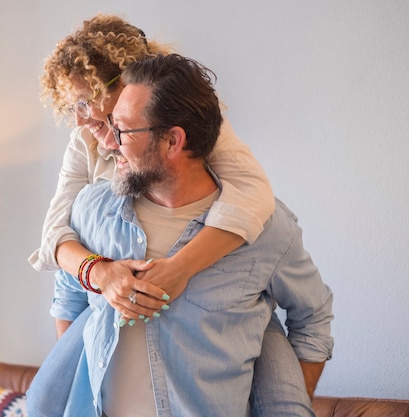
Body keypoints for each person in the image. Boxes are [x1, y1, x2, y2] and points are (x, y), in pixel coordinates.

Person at [29, 53, 333, 417]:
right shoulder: (92, 210)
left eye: (123, 130)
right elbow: (68, 298)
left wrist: (282, 404)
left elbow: (312, 318)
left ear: (173, 141)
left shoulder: (267, 228)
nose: (109, 144)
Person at [28, 14, 275, 332]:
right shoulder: (84, 144)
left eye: (85, 102)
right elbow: (56, 234)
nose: (78, 119)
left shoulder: (186, 127)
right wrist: (100, 273)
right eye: (70, 106)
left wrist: (180, 268)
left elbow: (252, 192)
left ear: (124, 84)